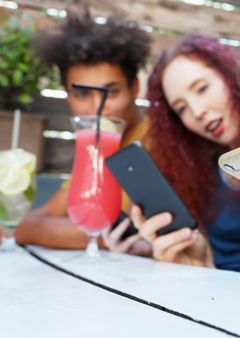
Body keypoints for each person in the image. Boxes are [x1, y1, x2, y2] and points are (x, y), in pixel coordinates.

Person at [15, 10, 152, 255]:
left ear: (135, 87)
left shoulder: (156, 139)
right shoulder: (93, 147)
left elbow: (121, 230)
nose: (97, 107)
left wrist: (22, 229)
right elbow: (45, 214)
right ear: (68, 95)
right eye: (82, 94)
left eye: (111, 91)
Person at [131, 35, 240, 275]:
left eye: (202, 89)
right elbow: (212, 269)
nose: (197, 111)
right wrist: (196, 261)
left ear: (231, 77)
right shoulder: (202, 175)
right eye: (181, 108)